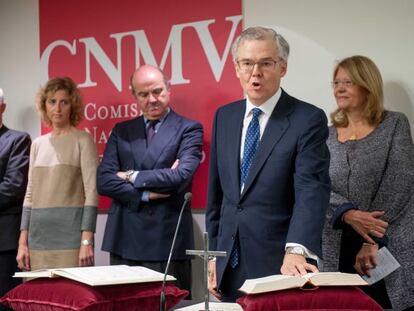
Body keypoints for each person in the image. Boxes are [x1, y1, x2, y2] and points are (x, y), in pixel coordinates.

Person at [205, 26, 331, 302]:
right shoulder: (223, 117)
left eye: (266, 63)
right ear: (236, 68)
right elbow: (217, 197)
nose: (255, 72)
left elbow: (312, 189)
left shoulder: (307, 119)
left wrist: (297, 249)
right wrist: (213, 255)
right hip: (229, 263)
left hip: (280, 263)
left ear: (283, 67)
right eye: (247, 63)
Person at [97, 65, 203, 294]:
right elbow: (104, 181)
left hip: (166, 237)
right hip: (124, 237)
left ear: (169, 88)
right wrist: (144, 194)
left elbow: (180, 176)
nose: (152, 99)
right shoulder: (122, 130)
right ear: (134, 95)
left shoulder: (188, 129)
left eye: (157, 91)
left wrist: (129, 175)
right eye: (143, 94)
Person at [322, 55, 414, 310]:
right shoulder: (325, 135)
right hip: (336, 243)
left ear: (367, 86)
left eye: (348, 82)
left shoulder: (394, 124)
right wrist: (347, 212)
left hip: (383, 243)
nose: (339, 88)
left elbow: (399, 182)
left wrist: (371, 240)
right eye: (336, 82)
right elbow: (316, 186)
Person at [16, 77, 99, 271]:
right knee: (41, 298)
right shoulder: (37, 144)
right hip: (38, 241)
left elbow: (92, 192)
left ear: (73, 105)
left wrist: (86, 241)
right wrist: (22, 242)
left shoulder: (83, 140)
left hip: (73, 241)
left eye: (64, 102)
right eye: (52, 101)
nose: (58, 108)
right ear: (44, 105)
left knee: (73, 298)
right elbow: (30, 195)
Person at [0, 88, 30, 308]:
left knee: (6, 303)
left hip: (4, 243)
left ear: (2, 108)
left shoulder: (17, 140)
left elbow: (13, 187)